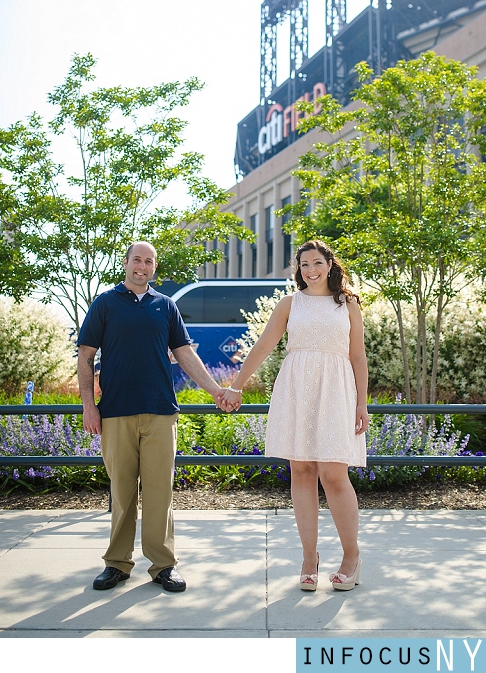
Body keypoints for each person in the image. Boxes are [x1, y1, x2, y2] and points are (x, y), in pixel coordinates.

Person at [219, 239, 369, 592]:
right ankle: (308, 557)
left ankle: (351, 556)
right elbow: (264, 345)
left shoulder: (347, 304)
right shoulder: (289, 304)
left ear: (330, 265)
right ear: (298, 269)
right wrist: (236, 385)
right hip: (297, 386)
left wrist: (361, 404)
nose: (311, 270)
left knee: (334, 473)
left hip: (336, 389)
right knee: (301, 469)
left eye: (317, 263)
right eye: (304, 265)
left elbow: (358, 356)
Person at [77, 241, 224, 593]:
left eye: (149, 261)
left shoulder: (166, 306)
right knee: (122, 491)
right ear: (125, 263)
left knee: (160, 492)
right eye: (136, 260)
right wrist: (88, 406)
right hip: (116, 413)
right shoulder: (105, 304)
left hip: (160, 412)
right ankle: (116, 564)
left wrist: (216, 390)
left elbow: (185, 354)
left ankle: (163, 566)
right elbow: (85, 356)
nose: (142, 266)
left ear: (154, 268)